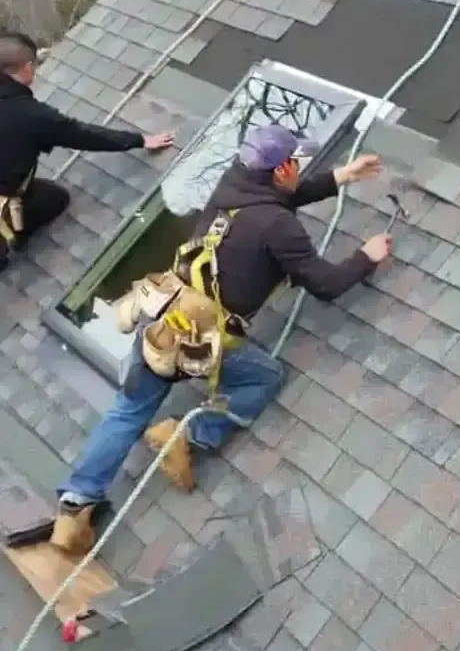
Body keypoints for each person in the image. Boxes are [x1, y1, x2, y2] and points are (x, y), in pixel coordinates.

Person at [51, 123, 392, 553]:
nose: (301, 172)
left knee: (129, 410)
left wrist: (344, 175)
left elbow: (275, 198)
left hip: (161, 316)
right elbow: (325, 285)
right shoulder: (279, 227)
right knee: (263, 377)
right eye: (298, 165)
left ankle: (76, 500)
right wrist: (366, 257)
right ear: (283, 166)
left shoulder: (235, 182)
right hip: (205, 340)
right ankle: (191, 437)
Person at [0, 31, 174, 266]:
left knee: (46, 195)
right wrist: (140, 139)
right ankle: (10, 235)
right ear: (27, 68)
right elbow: (81, 135)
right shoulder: (30, 115)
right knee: (55, 200)